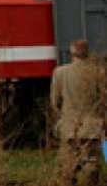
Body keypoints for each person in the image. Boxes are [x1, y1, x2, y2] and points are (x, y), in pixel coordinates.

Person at [50, 39, 106, 186]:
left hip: (69, 127)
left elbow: (55, 102)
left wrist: (65, 117)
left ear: (72, 53)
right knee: (91, 165)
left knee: (68, 168)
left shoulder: (60, 73)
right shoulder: (99, 72)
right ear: (88, 54)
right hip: (93, 127)